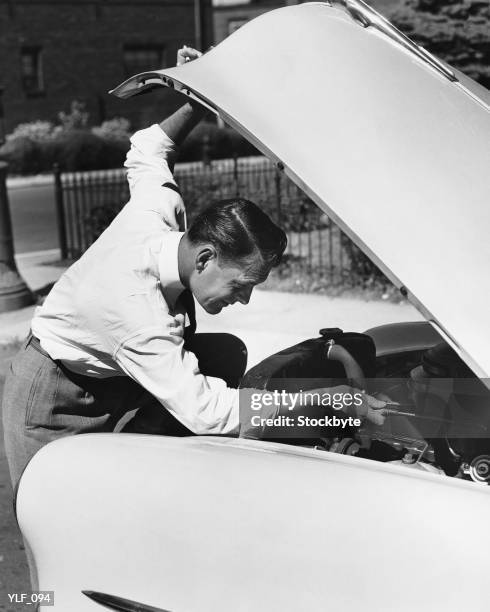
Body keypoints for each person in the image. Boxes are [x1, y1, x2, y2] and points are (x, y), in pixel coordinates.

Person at [2, 47, 388, 492]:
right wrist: (327, 403)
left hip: (115, 375)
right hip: (56, 398)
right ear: (205, 258)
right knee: (64, 530)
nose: (244, 298)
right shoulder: (136, 313)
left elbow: (147, 148)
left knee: (224, 351)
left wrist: (200, 100)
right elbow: (209, 413)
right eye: (242, 284)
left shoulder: (161, 211)